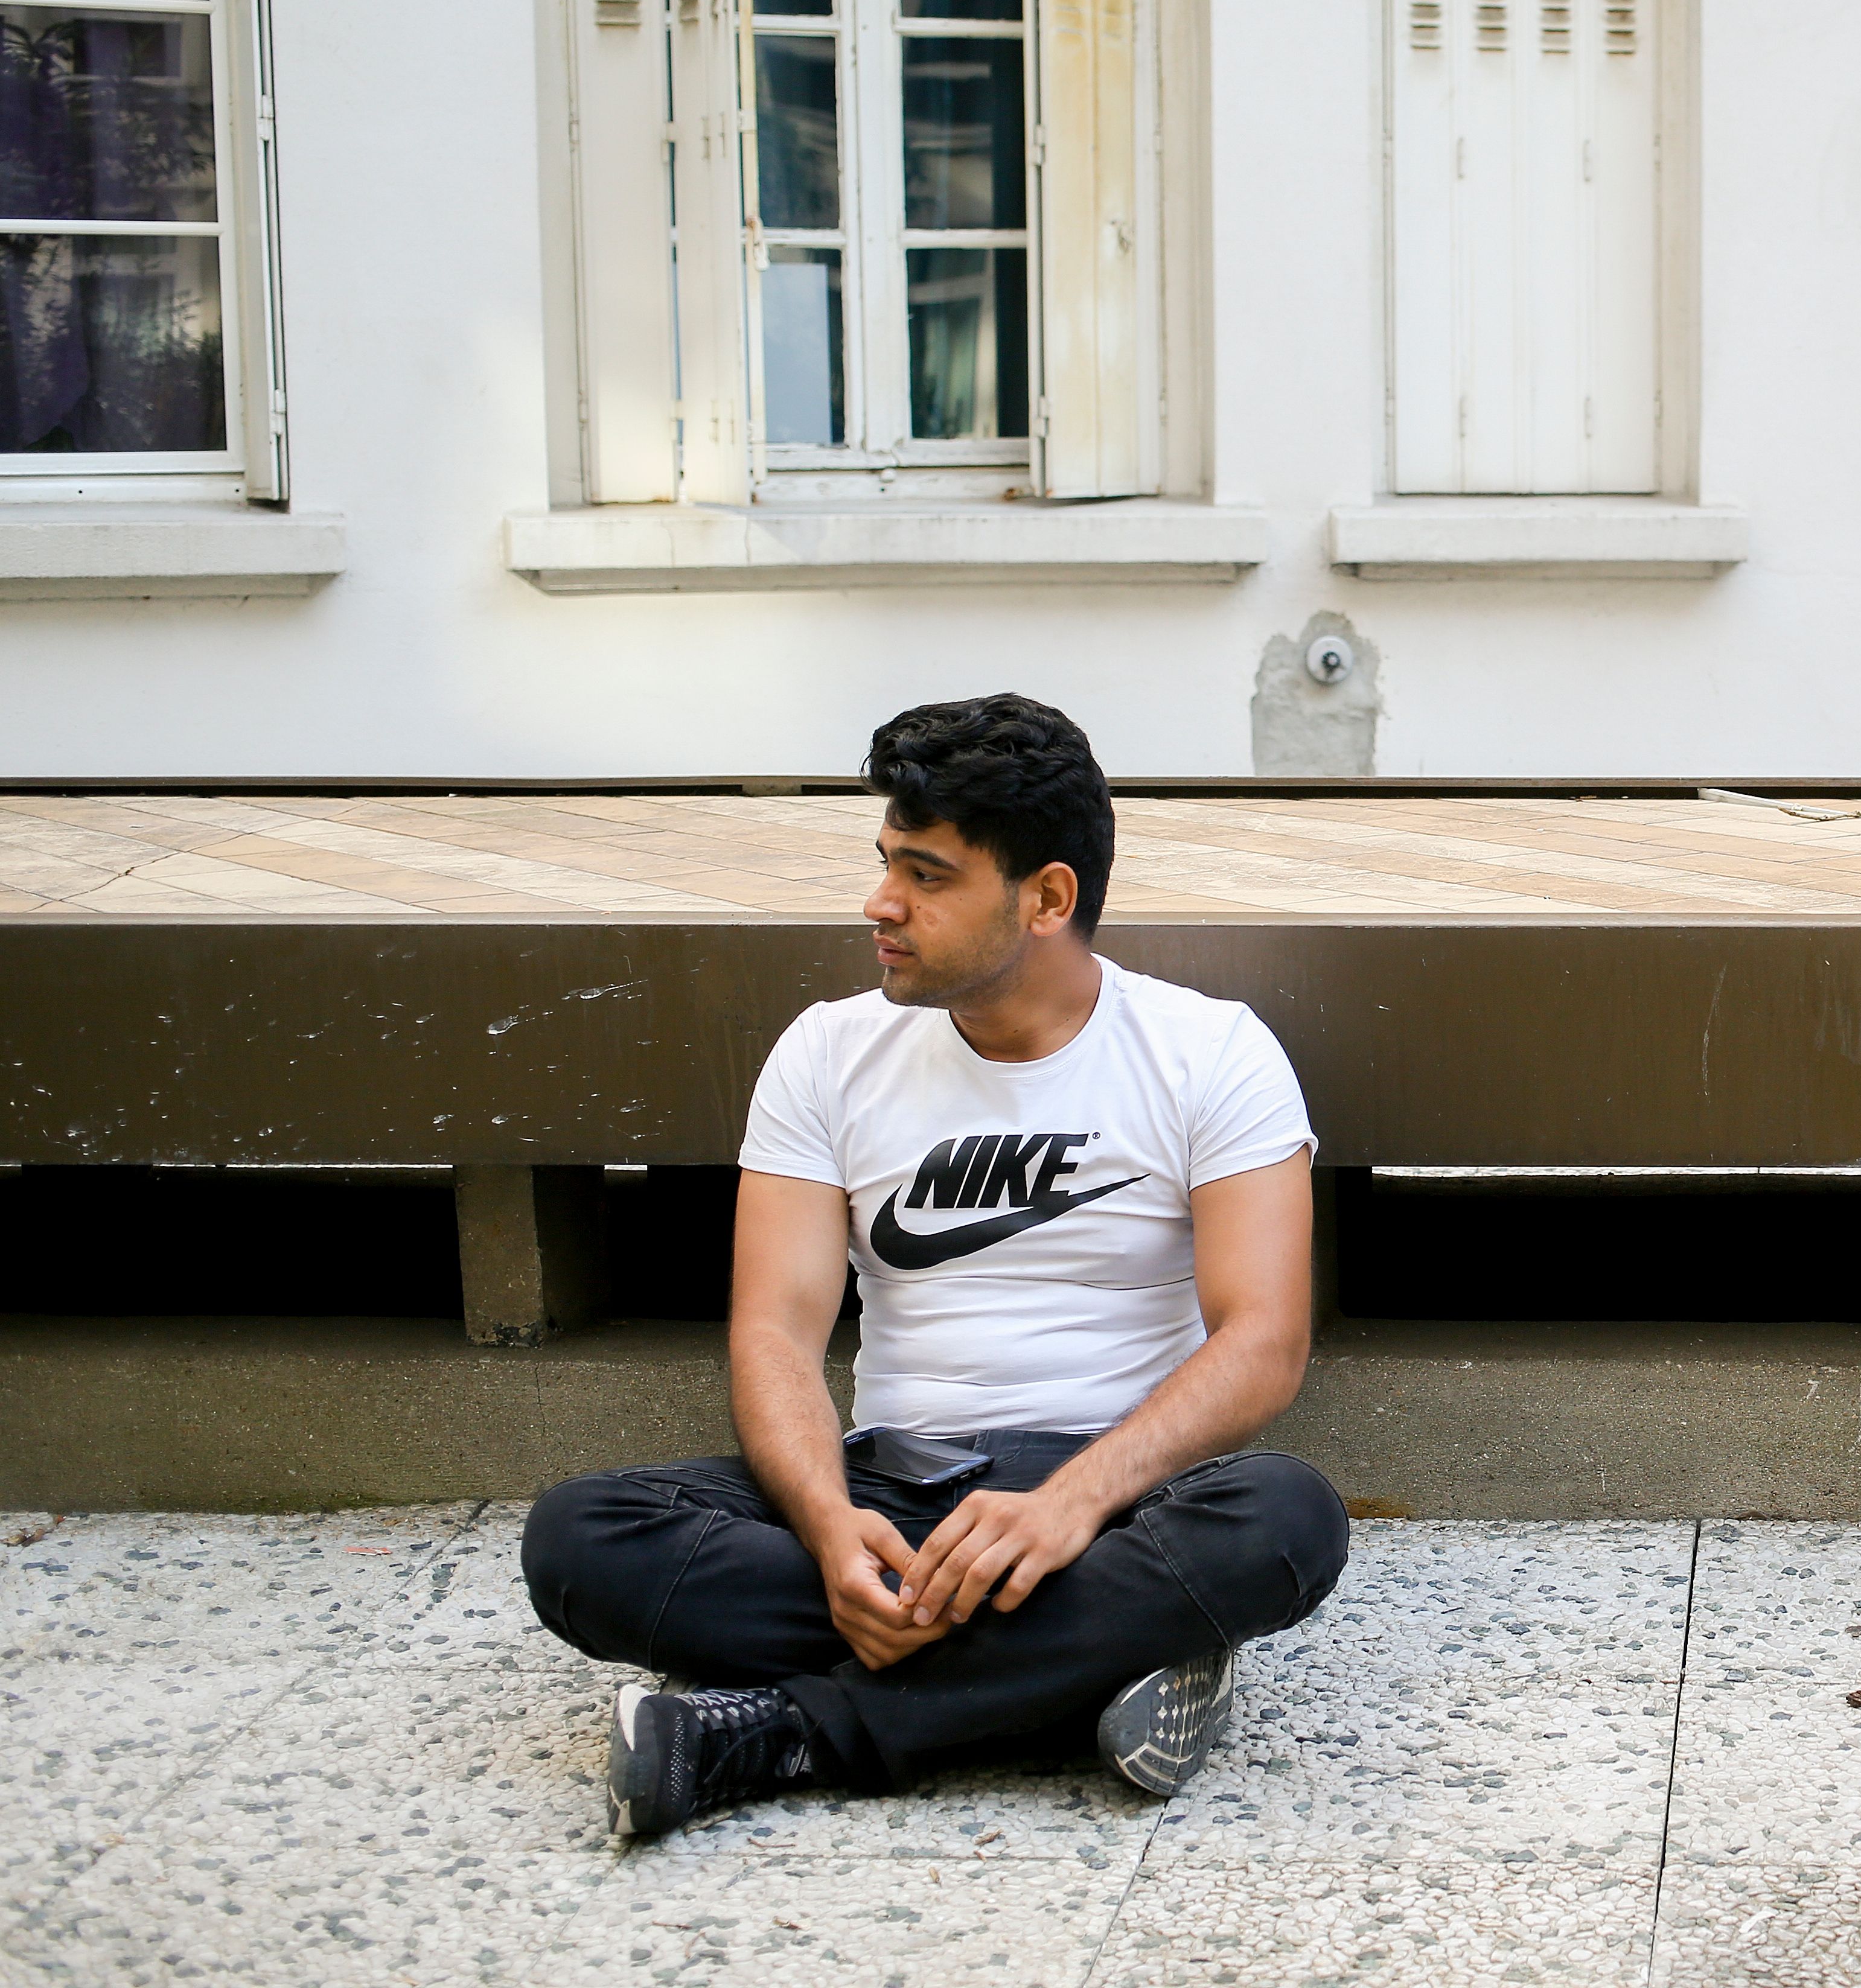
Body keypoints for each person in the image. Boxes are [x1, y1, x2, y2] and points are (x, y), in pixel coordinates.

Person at [521, 693, 1349, 1835]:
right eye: (885, 864)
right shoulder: (828, 1052)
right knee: (580, 1539)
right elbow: (774, 1331)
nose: (882, 903)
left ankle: (782, 1730)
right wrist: (827, 1525)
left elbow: (1264, 1343)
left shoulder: (1211, 1054)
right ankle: (1091, 1666)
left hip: (1109, 1500)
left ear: (1047, 898)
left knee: (1285, 1519)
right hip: (889, 1487)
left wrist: (1066, 1508)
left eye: (928, 876)